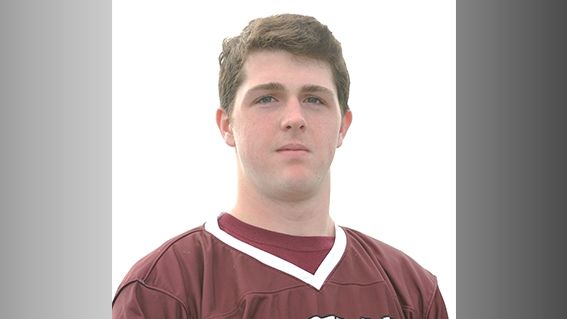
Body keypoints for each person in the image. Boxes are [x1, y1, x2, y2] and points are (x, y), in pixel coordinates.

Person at [112, 13, 449, 318]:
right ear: (226, 124)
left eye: (314, 99)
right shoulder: (165, 287)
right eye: (267, 98)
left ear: (342, 126)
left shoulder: (412, 291)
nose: (294, 118)